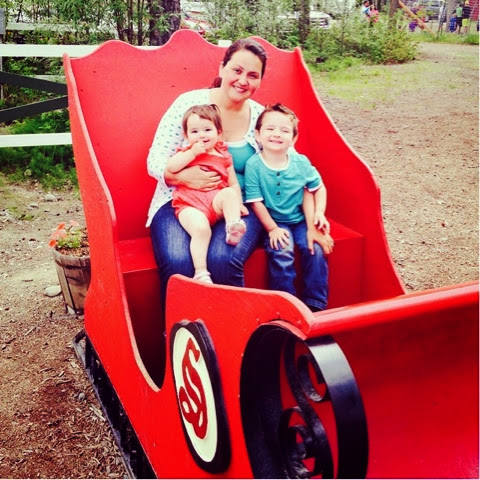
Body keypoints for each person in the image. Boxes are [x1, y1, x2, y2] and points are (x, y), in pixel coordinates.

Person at [146, 38, 267, 302]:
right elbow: (155, 159)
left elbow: (282, 163)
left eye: (252, 75)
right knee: (178, 260)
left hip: (236, 205)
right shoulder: (188, 104)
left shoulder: (261, 117)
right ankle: (181, 326)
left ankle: (231, 325)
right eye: (237, 70)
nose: (243, 81)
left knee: (223, 258)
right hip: (180, 200)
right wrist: (181, 177)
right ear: (222, 67)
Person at [244, 103, 334, 312]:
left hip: (300, 219)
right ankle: (286, 306)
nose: (277, 134)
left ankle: (315, 304)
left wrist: (319, 213)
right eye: (270, 129)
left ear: (293, 139)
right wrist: (272, 229)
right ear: (257, 135)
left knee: (315, 249)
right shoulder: (253, 165)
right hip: (275, 222)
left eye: (284, 130)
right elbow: (256, 202)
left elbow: (318, 188)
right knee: (282, 251)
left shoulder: (300, 162)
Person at [166, 104, 247, 283]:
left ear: (219, 133)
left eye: (207, 130)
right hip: (190, 205)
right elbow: (171, 167)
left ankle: (233, 227)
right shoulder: (186, 152)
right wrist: (192, 153)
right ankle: (201, 272)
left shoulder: (224, 155)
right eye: (194, 131)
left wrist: (238, 204)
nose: (201, 135)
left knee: (229, 193)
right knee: (201, 230)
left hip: (214, 203)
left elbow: (233, 183)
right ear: (186, 136)